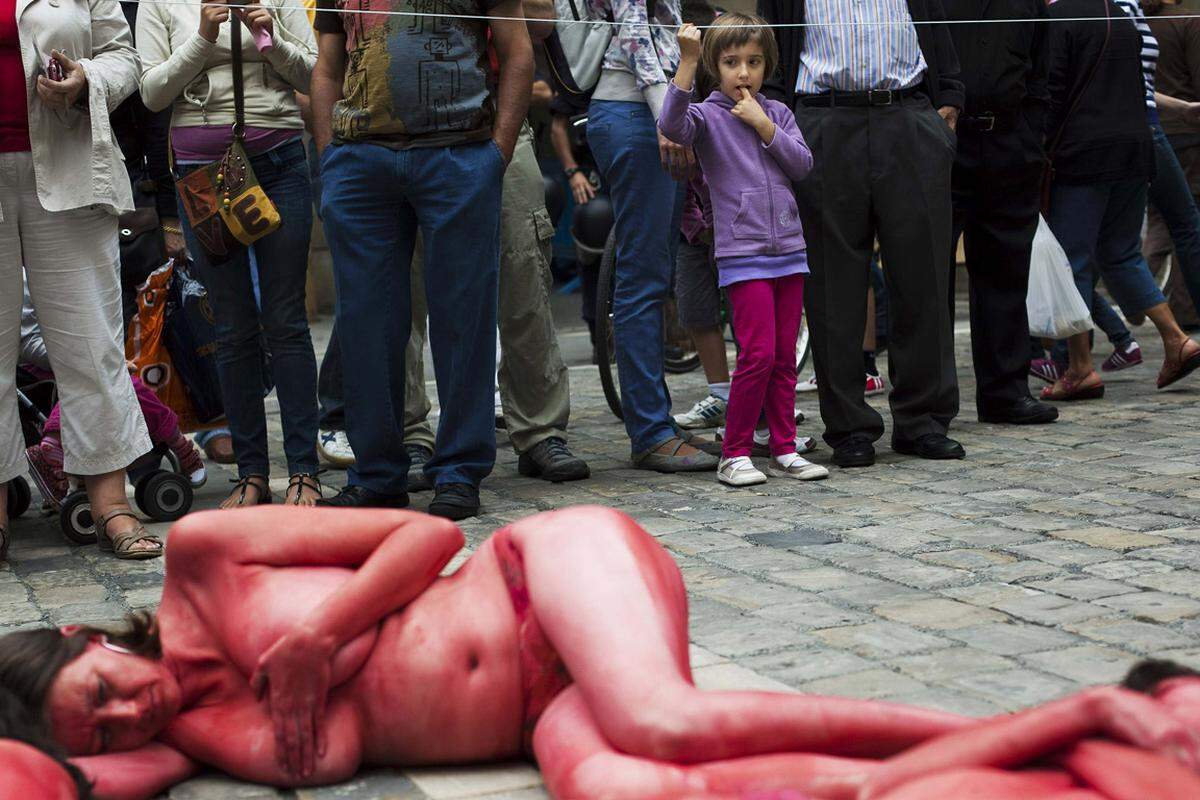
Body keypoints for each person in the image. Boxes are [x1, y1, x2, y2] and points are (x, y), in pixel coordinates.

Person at [1, 507, 1199, 800]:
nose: (126, 713)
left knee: (663, 721)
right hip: (538, 712)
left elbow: (431, 531)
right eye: (102, 728)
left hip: (544, 575)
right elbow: (71, 780)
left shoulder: (206, 554)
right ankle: (966, 775)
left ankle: (1084, 706)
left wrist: (321, 631)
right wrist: (60, 742)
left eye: (101, 688)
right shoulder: (183, 739)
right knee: (640, 785)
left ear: (82, 634)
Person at [311, 0, 534, 518]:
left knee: (464, 319)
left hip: (458, 154)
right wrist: (331, 158)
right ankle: (377, 473)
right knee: (364, 324)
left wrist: (494, 156)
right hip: (359, 161)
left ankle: (458, 471)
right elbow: (326, 67)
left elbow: (518, 53)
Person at [757, 0, 965, 469]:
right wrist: (783, 120)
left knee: (924, 276)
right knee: (832, 285)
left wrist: (948, 102)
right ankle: (849, 427)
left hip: (908, 116)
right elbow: (769, 48)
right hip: (824, 122)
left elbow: (940, 28)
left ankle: (923, 421)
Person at [137, 0, 323, 508]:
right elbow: (152, 93)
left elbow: (312, 74)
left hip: (279, 162)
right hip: (201, 175)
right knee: (232, 325)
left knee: (285, 320)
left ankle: (305, 470)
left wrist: (270, 36)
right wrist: (201, 35)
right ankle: (252, 474)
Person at [0, 0, 163, 561]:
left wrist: (84, 78)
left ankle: (112, 505)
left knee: (90, 345)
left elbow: (126, 57)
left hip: (70, 168)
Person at [658, 15, 827, 487]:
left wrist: (763, 125)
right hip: (742, 253)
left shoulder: (777, 112)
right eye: (731, 62)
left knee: (782, 356)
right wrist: (686, 64)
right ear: (715, 65)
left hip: (789, 250)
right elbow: (671, 123)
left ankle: (784, 446)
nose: (743, 72)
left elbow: (803, 164)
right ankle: (734, 452)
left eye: (753, 62)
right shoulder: (708, 116)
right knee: (755, 354)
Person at [1042, 0, 1200, 400]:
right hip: (1136, 147)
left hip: (1085, 154)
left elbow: (1052, 91)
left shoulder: (1059, 18)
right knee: (1120, 253)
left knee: (1071, 261)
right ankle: (1177, 340)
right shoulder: (1122, 16)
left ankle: (1079, 368)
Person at [585, 0, 718, 473]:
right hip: (637, 113)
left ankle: (655, 420)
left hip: (645, 111)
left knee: (653, 273)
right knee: (643, 278)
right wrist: (668, 115)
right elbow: (636, 33)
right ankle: (651, 432)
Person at [944, 0, 1059, 427]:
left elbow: (1041, 75)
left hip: (1010, 144)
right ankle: (933, 402)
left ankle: (1006, 393)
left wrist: (1032, 137)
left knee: (1006, 272)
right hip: (945, 143)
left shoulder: (1027, 2)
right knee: (930, 277)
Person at [19, 285, 207, 501]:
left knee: (120, 381)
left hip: (82, 357)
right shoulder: (24, 280)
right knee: (121, 383)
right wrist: (87, 361)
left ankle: (57, 442)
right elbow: (29, 343)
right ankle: (178, 443)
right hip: (46, 368)